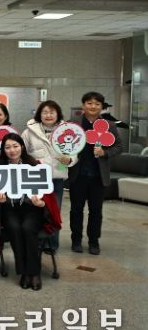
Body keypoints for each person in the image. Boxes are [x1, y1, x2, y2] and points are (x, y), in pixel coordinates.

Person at [0, 133, 61, 291]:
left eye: (15, 146)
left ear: (22, 147)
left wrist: (41, 203)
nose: (12, 150)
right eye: (7, 147)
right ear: (3, 150)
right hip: (10, 208)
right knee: (14, 228)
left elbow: (46, 194)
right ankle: (24, 272)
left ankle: (34, 272)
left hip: (32, 208)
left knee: (27, 228)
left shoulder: (33, 165)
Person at [68, 92, 122, 255]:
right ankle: (76, 240)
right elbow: (63, 143)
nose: (93, 106)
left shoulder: (109, 125)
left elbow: (119, 147)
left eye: (97, 104)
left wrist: (105, 152)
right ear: (83, 105)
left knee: (96, 211)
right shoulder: (73, 123)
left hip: (98, 176)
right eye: (89, 103)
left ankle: (94, 241)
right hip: (78, 175)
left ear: (102, 107)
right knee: (76, 210)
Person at [21, 100, 75, 250]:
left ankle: (52, 244)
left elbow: (74, 152)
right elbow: (22, 153)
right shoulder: (28, 132)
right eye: (45, 112)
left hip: (57, 178)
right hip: (36, 178)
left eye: (52, 112)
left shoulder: (67, 131)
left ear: (58, 114)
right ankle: (37, 242)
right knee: (36, 210)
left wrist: (69, 159)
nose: (48, 115)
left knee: (54, 211)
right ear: (39, 114)